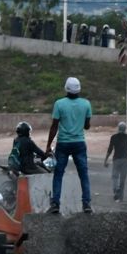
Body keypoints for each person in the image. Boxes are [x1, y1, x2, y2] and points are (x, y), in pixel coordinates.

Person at [45, 77, 93, 214]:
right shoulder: (86, 104)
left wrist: (48, 145)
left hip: (63, 143)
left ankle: (55, 204)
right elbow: (87, 126)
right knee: (83, 174)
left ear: (66, 88)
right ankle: (86, 204)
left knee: (58, 174)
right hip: (79, 143)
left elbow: (54, 127)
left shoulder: (59, 104)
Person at [104, 122, 127, 202]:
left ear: (118, 128)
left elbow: (110, 150)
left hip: (116, 159)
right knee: (123, 179)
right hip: (125, 160)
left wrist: (105, 160)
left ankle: (116, 189)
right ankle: (121, 198)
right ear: (125, 129)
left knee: (115, 177)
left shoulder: (114, 137)